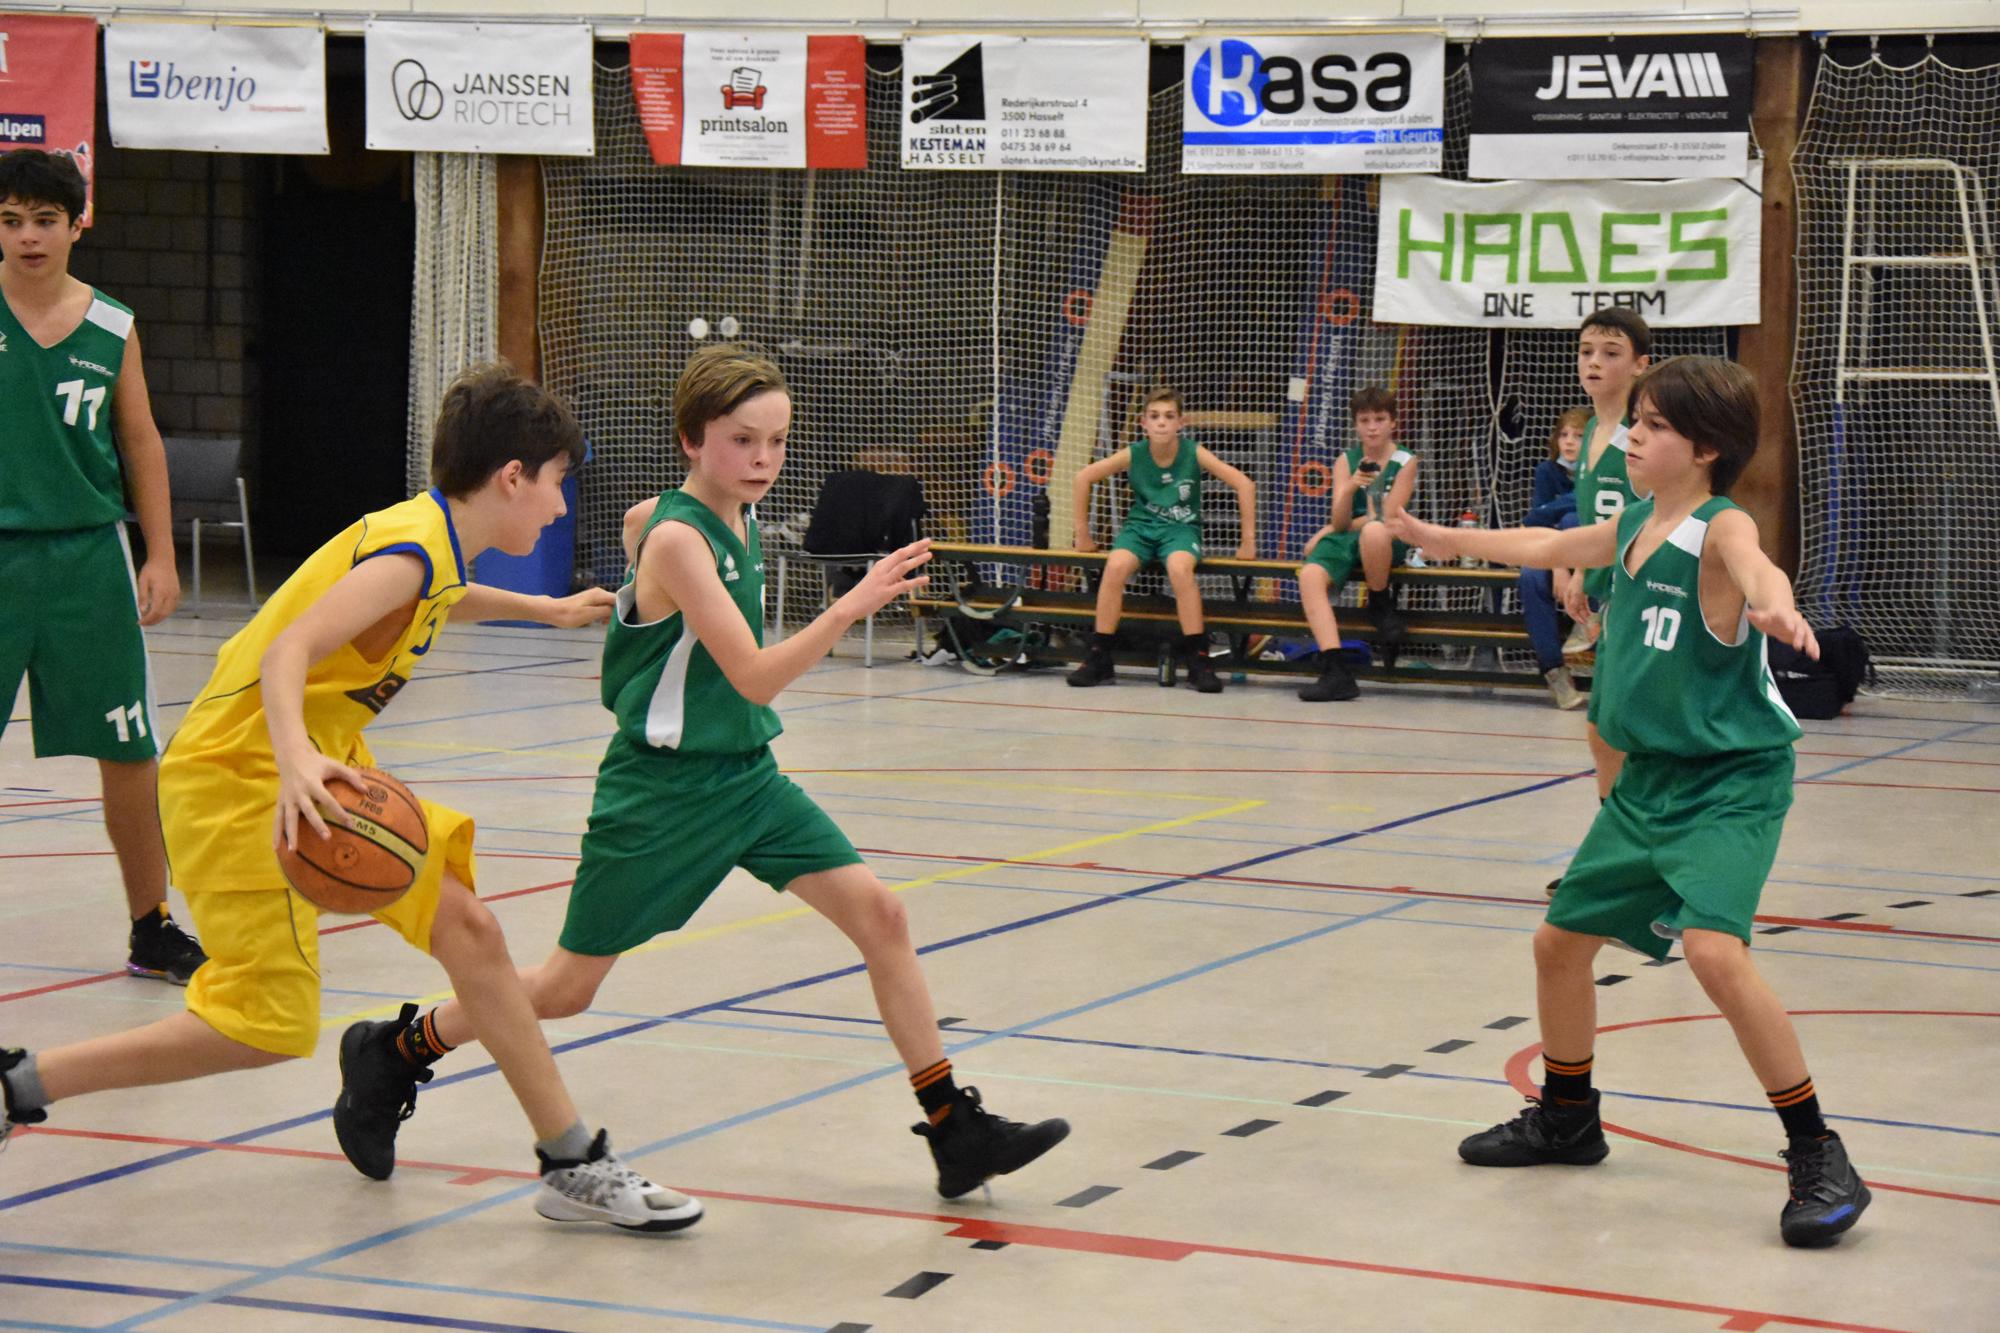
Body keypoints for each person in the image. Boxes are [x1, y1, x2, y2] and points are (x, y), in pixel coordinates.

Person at [339, 344, 1070, 1202]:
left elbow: (644, 537)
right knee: (566, 989)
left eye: (777, 441)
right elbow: (754, 675)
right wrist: (848, 605)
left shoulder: (716, 518)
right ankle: (395, 1048)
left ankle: (953, 1126)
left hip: (746, 778)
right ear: (692, 438)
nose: (762, 459)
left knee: (882, 914)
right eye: (741, 440)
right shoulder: (680, 539)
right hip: (661, 794)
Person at [0, 365, 699, 1234]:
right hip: (240, 777)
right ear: (513, 476)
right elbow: (290, 648)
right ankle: (19, 1083)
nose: (561, 507)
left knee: (470, 929)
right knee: (262, 1027)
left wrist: (542, 608)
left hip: (316, 765)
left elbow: (436, 597)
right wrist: (296, 756)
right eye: (557, 483)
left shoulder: (431, 541)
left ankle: (571, 1160)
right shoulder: (413, 550)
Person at [1387, 357, 1870, 1249]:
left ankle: (1817, 1149)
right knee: (1557, 943)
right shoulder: (1638, 523)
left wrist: (1776, 608)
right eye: (1636, 420)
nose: (1634, 436)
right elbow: (1548, 548)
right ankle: (1569, 1116)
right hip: (1648, 780)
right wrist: (1439, 536)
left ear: (1706, 448)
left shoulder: (1721, 525)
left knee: (1714, 952)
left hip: (1730, 782)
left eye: (1653, 426)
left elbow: (1758, 567)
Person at [0, 148, 205, 983]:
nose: (28, 237)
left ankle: (151, 924)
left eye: (45, 220)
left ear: (76, 225)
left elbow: (140, 440)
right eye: (11, 221)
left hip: (88, 557)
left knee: (129, 749)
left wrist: (161, 552)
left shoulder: (112, 325)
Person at [1549, 308, 1652, 894]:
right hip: (1609, 599)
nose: (1594, 362)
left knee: (1627, 735)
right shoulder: (1589, 429)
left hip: (1647, 600)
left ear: (1640, 365)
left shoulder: (1646, 432)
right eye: (1587, 350)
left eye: (1611, 353)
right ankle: (1615, 857)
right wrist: (1579, 572)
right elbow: (1595, 520)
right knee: (1602, 732)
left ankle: (1632, 863)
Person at [1067, 387, 1256, 693]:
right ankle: (1099, 657)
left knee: (1180, 569)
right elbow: (1082, 477)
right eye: (1154, 416)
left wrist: (1248, 541)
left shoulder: (1194, 452)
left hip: (1180, 529)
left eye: (1169, 416)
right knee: (1115, 567)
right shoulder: (1134, 453)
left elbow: (1244, 484)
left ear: (1181, 422)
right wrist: (1083, 534)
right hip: (1140, 529)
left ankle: (1198, 660)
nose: (1161, 422)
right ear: (1143, 422)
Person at [1294, 386, 1418, 702]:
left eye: (1379, 419)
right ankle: (1335, 669)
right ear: (1355, 425)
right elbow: (1340, 522)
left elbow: (1388, 515)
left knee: (1374, 531)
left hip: (1389, 536)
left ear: (1393, 422)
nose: (1372, 427)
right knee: (1309, 575)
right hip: (1348, 535)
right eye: (1365, 420)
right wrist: (1349, 488)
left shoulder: (1405, 461)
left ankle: (1379, 601)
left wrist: (1326, 530)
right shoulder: (1345, 461)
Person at [1520, 408, 1588, 710]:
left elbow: (1578, 510)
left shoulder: (1599, 472)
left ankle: (1586, 622)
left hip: (1591, 554)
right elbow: (1539, 524)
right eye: (1564, 435)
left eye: (1578, 436)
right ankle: (1554, 669)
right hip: (1556, 551)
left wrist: (1552, 511)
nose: (1569, 442)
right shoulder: (1547, 471)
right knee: (1530, 576)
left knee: (1573, 519)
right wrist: (1559, 567)